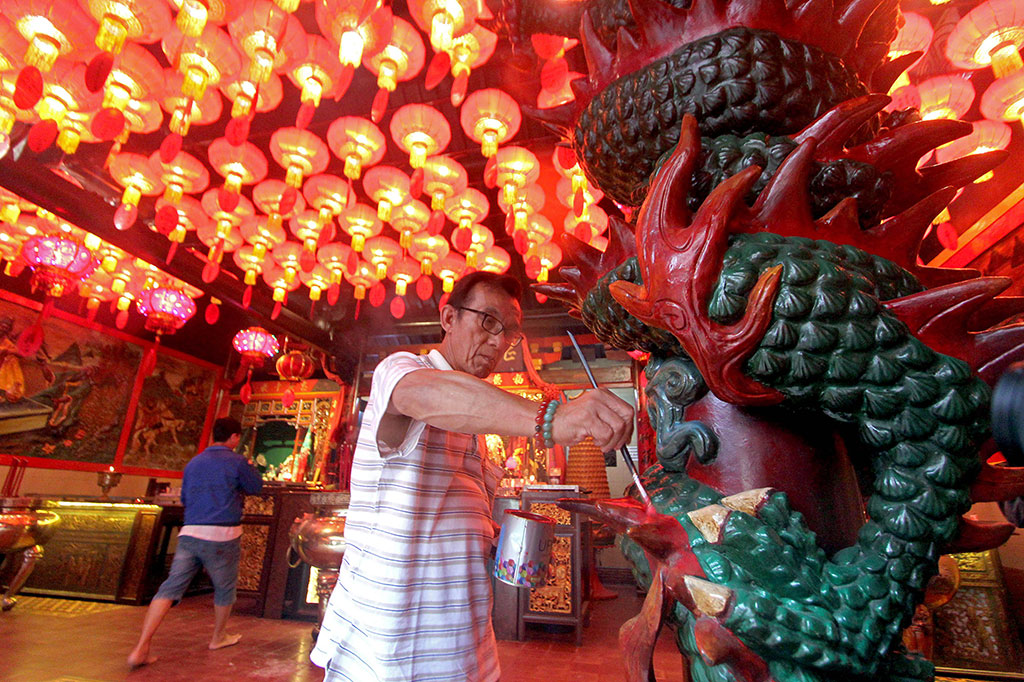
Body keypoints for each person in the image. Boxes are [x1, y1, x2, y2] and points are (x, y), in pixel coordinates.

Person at [310, 271, 634, 682]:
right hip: (387, 639)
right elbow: (426, 395)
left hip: (460, 638)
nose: (499, 341)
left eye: (510, 333)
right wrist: (553, 417)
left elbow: (453, 508)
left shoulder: (473, 423)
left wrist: (493, 535)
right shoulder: (404, 369)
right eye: (488, 322)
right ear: (448, 318)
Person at [127, 416, 263, 668]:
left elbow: (186, 498)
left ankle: (141, 646)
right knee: (224, 589)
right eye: (237, 437)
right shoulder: (236, 461)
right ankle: (218, 637)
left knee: (169, 588)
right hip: (222, 534)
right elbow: (256, 487)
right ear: (234, 438)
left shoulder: (194, 462)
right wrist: (250, 466)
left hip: (190, 533)